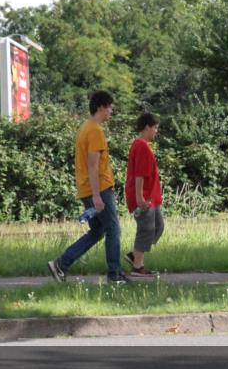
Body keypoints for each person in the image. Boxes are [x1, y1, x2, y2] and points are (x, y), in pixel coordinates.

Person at [48, 90, 127, 284]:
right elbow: (93, 165)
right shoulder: (95, 131)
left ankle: (61, 263)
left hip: (87, 188)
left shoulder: (85, 127)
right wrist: (97, 196)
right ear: (100, 107)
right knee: (113, 229)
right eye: (109, 107)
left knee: (97, 231)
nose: (111, 110)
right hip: (98, 189)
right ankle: (114, 274)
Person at [124, 112, 164, 278]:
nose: (156, 131)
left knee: (158, 227)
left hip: (152, 197)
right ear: (147, 127)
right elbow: (140, 174)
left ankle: (135, 255)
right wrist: (139, 197)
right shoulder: (141, 146)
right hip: (145, 197)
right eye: (155, 128)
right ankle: (138, 267)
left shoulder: (143, 145)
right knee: (146, 230)